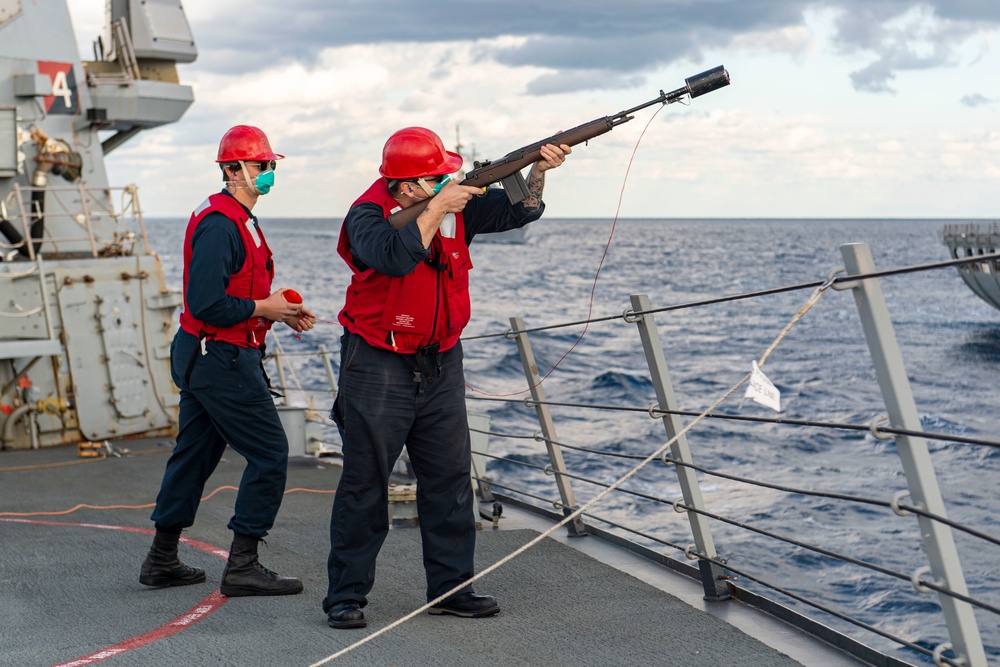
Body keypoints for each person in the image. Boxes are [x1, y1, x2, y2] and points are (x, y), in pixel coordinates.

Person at [323, 126, 570, 628]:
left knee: (451, 481)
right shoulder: (367, 216)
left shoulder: (455, 205)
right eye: (439, 176)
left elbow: (519, 211)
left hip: (441, 361)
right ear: (409, 186)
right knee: (365, 484)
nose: (450, 179)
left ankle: (452, 589)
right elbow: (392, 257)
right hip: (376, 364)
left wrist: (537, 172)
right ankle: (346, 598)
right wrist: (439, 209)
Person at [139, 125, 316, 597]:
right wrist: (265, 309)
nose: (269, 173)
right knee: (271, 454)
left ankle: (161, 559)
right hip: (219, 357)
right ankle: (243, 565)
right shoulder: (222, 223)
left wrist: (280, 311)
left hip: (205, 353)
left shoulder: (235, 216)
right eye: (263, 166)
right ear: (233, 169)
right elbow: (206, 303)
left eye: (270, 165)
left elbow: (238, 290)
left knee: (193, 456)